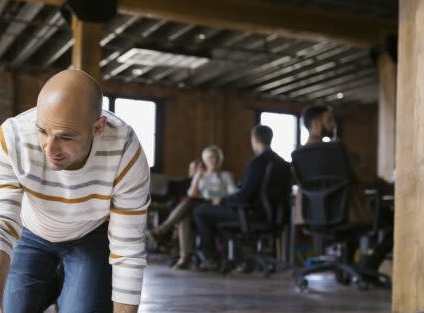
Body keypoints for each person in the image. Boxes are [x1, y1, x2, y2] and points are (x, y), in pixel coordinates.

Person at [0, 69, 150, 313]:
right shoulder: (11, 137)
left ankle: (72, 284)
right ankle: (55, 281)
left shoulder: (126, 150)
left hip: (89, 235)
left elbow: (129, 248)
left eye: (65, 137)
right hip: (33, 231)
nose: (49, 149)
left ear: (98, 127)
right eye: (42, 131)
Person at [300, 105, 393, 277]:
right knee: (394, 220)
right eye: (329, 120)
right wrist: (392, 187)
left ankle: (346, 269)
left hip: (315, 216)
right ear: (315, 124)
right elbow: (367, 179)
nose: (334, 125)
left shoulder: (299, 155)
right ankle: (369, 266)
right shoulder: (336, 150)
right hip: (347, 215)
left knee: (354, 222)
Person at [193, 125, 291, 270]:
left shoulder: (257, 162)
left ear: (254, 139)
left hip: (252, 215)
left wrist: (222, 201)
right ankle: (240, 256)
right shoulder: (283, 163)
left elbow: (244, 197)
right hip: (276, 216)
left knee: (201, 211)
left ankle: (211, 258)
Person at [148, 146, 236, 269]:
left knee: (189, 207)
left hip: (216, 208)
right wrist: (197, 177)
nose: (214, 161)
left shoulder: (226, 175)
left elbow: (233, 193)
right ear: (205, 161)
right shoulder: (201, 176)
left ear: (221, 160)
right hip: (199, 209)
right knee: (186, 213)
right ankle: (183, 256)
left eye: (217, 158)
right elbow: (191, 194)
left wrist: (220, 198)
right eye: (211, 158)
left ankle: (165, 234)